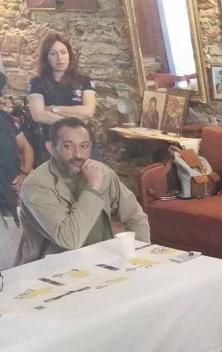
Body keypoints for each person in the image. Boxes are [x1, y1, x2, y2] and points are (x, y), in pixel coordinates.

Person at [15, 117, 149, 266]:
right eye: (68, 146)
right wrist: (93, 187)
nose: (78, 155)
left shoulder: (102, 173)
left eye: (84, 146)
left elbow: (135, 216)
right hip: (46, 270)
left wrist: (138, 252)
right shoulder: (36, 184)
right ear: (51, 148)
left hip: (99, 261)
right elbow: (70, 240)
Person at [27, 33, 96, 164]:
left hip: (82, 143)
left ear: (69, 54)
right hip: (52, 144)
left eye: (63, 52)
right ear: (46, 58)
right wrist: (74, 122)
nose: (59, 58)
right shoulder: (37, 83)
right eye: (53, 54)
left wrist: (54, 109)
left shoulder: (85, 81)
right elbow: (38, 115)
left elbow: (88, 112)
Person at [0, 71, 35, 270]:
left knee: (12, 257)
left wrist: (24, 173)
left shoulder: (7, 119)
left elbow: (26, 148)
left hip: (9, 198)